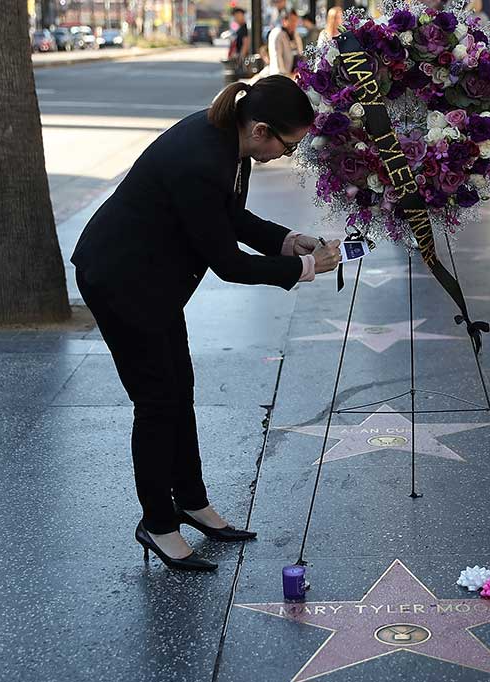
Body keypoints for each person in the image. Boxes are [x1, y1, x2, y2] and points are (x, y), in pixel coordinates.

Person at [70, 77, 342, 572]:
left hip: (152, 280)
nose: (288, 154)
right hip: (121, 280)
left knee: (180, 390)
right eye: (289, 144)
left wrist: (289, 240)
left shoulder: (229, 140)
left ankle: (192, 503)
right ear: (261, 130)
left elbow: (229, 218)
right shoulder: (201, 157)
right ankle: (157, 523)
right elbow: (229, 263)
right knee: (156, 403)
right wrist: (305, 268)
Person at [267, 9, 301, 77]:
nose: (294, 23)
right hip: (280, 76)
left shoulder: (295, 34)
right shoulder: (277, 34)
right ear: (284, 21)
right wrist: (283, 75)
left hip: (293, 75)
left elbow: (299, 52)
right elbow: (277, 57)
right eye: (292, 21)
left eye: (295, 21)